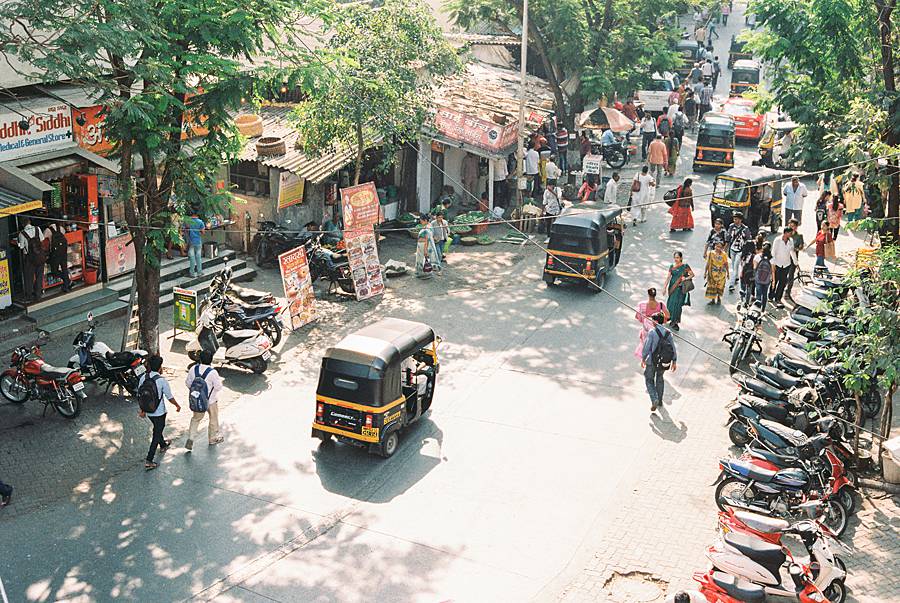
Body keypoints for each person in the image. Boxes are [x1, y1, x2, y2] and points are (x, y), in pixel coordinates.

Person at [139, 355, 181, 470]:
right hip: (159, 412)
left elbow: (140, 395)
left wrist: (142, 410)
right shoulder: (161, 381)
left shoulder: (143, 378)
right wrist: (177, 405)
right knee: (157, 433)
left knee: (157, 428)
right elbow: (169, 397)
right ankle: (149, 460)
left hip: (148, 411)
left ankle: (163, 445)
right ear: (159, 367)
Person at [184, 349, 224, 451]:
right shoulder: (213, 372)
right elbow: (218, 387)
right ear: (211, 360)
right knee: (213, 419)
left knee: (195, 419)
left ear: (200, 358)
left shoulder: (193, 369)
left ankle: (191, 438)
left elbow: (188, 383)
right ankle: (212, 438)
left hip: (197, 401)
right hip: (211, 401)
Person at [641, 312, 677, 412]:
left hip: (652, 361)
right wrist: (674, 361)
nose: (652, 322)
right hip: (663, 362)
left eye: (653, 320)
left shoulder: (652, 332)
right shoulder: (668, 332)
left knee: (649, 379)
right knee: (660, 379)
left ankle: (654, 399)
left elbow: (647, 347)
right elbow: (673, 348)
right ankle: (660, 400)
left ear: (656, 321)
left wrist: (643, 358)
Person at [634, 288, 670, 359]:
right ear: (655, 295)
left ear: (648, 295)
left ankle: (646, 357)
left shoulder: (642, 305)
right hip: (656, 329)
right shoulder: (661, 305)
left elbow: (637, 316)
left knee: (646, 343)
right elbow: (668, 315)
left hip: (646, 329)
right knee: (655, 343)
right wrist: (661, 318)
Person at [17, 217, 46, 302]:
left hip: (29, 259)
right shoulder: (37, 229)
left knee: (29, 277)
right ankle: (38, 295)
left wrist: (18, 243)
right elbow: (42, 239)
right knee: (39, 276)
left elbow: (21, 247)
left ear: (22, 224)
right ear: (29, 221)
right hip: (40, 256)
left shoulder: (22, 234)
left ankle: (29, 295)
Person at [663, 251, 694, 331]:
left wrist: (686, 278)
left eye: (677, 257)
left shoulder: (685, 266)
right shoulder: (672, 266)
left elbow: (692, 274)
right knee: (670, 303)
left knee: (677, 305)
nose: (676, 259)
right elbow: (668, 278)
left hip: (680, 289)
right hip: (672, 288)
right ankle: (669, 316)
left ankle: (675, 322)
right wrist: (664, 287)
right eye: (675, 258)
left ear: (681, 258)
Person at [769, 227, 795, 308]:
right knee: (774, 280)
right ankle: (770, 296)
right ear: (785, 233)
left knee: (782, 282)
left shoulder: (790, 241)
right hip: (777, 264)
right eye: (789, 233)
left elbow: (792, 252)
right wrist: (772, 265)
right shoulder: (777, 240)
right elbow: (773, 252)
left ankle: (778, 298)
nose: (791, 235)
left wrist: (796, 262)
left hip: (786, 264)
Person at [725, 212, 751, 291]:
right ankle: (736, 277)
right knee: (733, 266)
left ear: (740, 220)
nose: (735, 220)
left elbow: (748, 239)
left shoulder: (745, 229)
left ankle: (731, 284)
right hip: (732, 250)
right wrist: (725, 249)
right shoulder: (731, 226)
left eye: (736, 219)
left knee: (735, 267)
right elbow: (728, 238)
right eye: (734, 219)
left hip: (740, 251)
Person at [43, 220, 71, 293]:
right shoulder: (61, 228)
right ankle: (66, 284)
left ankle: (67, 281)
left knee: (54, 270)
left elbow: (42, 239)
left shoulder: (47, 230)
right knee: (64, 268)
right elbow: (65, 233)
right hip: (63, 251)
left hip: (55, 253)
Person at [182, 209, 206, 277]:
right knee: (198, 257)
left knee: (192, 258)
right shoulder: (200, 222)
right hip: (198, 241)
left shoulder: (187, 222)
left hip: (191, 242)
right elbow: (203, 232)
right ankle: (199, 272)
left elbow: (183, 230)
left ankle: (192, 273)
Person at [785, 217, 804, 298]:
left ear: (796, 227)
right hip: (784, 258)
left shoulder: (799, 236)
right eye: (790, 225)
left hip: (793, 259)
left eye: (793, 226)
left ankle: (787, 292)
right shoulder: (785, 235)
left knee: (790, 276)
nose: (791, 227)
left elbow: (801, 247)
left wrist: (796, 248)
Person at [754, 243, 774, 311]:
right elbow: (773, 271)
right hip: (767, 280)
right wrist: (773, 281)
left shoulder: (757, 257)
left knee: (758, 294)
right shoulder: (771, 259)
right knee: (765, 294)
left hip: (758, 279)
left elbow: (754, 268)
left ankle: (757, 309)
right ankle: (763, 309)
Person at [739, 239, 758, 307]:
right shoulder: (754, 256)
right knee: (749, 289)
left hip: (743, 273)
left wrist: (741, 272)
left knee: (742, 288)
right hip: (750, 274)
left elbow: (742, 264)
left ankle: (741, 300)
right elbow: (755, 267)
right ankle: (746, 303)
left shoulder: (743, 255)